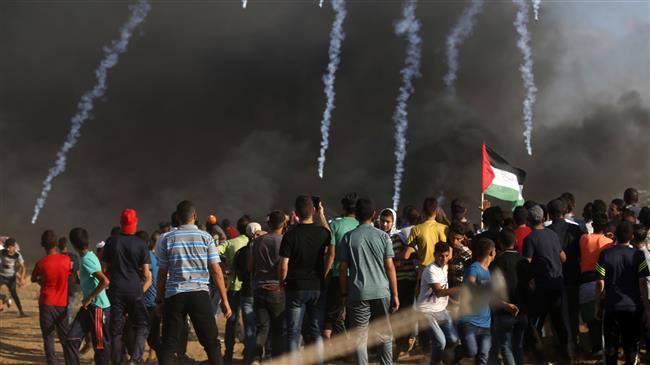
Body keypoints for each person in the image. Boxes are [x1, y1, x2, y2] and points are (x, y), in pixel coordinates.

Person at [155, 200, 232, 365]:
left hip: (175, 295)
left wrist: (159, 299)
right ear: (195, 217)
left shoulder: (167, 239)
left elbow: (162, 273)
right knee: (211, 343)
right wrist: (224, 300)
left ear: (177, 217)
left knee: (169, 344)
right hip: (199, 294)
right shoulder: (206, 237)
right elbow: (217, 271)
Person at [338, 198, 398, 365]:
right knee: (384, 335)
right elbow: (390, 267)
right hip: (381, 291)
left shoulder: (348, 238)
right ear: (374, 214)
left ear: (356, 215)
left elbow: (343, 269)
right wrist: (395, 294)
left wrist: (343, 293)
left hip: (358, 292)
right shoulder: (383, 237)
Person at [278, 195, 332, 365]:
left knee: (293, 332)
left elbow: (283, 265)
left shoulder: (290, 235)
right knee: (316, 331)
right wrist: (322, 215)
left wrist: (281, 282)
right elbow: (331, 238)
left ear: (295, 213)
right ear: (314, 210)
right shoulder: (323, 233)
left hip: (295, 287)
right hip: (317, 286)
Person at [523, 205, 574, 363]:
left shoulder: (530, 239)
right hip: (557, 285)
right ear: (544, 218)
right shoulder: (552, 234)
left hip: (541, 288)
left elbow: (526, 263)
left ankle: (539, 358)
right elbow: (563, 257)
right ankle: (568, 356)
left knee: (534, 324)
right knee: (559, 322)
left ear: (528, 221)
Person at [595, 221, 650, 365]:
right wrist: (647, 308)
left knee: (611, 347)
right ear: (632, 236)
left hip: (611, 307)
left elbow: (600, 282)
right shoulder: (638, 256)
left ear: (616, 236)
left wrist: (598, 306)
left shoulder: (604, 254)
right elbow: (643, 282)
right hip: (633, 308)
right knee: (631, 347)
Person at [102, 208, 152, 364]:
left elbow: (104, 268)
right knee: (142, 324)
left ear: (121, 223)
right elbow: (146, 273)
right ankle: (135, 359)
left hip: (116, 290)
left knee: (115, 330)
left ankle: (116, 361)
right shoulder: (141, 243)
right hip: (134, 289)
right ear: (135, 222)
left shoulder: (111, 241)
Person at [65, 227, 112, 365]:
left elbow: (105, 281)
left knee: (100, 348)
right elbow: (95, 279)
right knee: (71, 340)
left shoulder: (87, 260)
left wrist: (90, 297)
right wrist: (81, 280)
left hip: (98, 308)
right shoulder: (88, 256)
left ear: (73, 245)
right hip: (88, 308)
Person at [250, 211, 287, 363]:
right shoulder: (285, 241)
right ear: (284, 224)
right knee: (279, 329)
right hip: (277, 289)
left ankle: (257, 357)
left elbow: (250, 266)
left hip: (259, 289)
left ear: (268, 223)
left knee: (262, 328)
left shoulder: (258, 241)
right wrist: (282, 285)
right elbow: (284, 267)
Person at [379, 208, 416, 359]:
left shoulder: (400, 237)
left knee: (404, 312)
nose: (385, 224)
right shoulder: (380, 238)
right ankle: (400, 343)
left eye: (388, 221)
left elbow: (412, 251)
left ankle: (404, 345)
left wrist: (398, 258)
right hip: (390, 282)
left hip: (406, 280)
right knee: (394, 314)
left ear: (393, 222)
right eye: (383, 221)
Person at [490, 229, 530, 365]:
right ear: (516, 242)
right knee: (518, 346)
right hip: (522, 310)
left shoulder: (497, 262)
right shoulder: (523, 260)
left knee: (506, 346)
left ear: (500, 244)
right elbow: (531, 283)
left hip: (504, 311)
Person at [547, 198, 582, 351]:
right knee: (573, 311)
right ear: (565, 211)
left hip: (554, 278)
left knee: (557, 313)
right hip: (573, 276)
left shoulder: (547, 232)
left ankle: (561, 344)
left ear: (549, 214)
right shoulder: (576, 230)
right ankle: (575, 340)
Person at [31, 230, 72, 365]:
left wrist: (41, 280)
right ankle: (71, 361)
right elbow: (72, 274)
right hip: (62, 303)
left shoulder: (41, 263)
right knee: (65, 337)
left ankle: (52, 362)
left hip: (46, 302)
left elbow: (33, 278)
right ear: (56, 244)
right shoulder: (66, 260)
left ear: (43, 245)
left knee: (48, 337)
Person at [218, 214, 254, 364]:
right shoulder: (255, 242)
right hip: (249, 287)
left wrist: (226, 266)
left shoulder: (230, 243)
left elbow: (214, 251)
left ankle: (228, 354)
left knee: (231, 321)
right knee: (250, 322)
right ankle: (249, 354)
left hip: (233, 285)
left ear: (237, 229)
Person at [416, 243, 459, 365]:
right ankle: (435, 362)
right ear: (435, 255)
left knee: (453, 339)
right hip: (426, 312)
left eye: (446, 256)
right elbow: (439, 292)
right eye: (441, 256)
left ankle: (442, 356)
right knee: (440, 341)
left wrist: (452, 302)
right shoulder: (430, 270)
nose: (444, 259)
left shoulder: (444, 267)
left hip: (441, 310)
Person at [455, 238, 496, 365]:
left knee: (483, 355)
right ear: (491, 252)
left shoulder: (487, 271)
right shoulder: (474, 268)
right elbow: (470, 283)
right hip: (469, 321)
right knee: (471, 351)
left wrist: (506, 305)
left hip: (485, 322)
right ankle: (452, 356)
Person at [325, 192, 359, 342]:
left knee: (336, 313)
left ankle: (344, 347)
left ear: (343, 208)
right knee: (354, 314)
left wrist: (325, 273)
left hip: (339, 275)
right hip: (358, 276)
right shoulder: (362, 225)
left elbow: (331, 254)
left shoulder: (335, 225)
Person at [578, 213, 612, 355]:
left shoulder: (584, 238)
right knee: (605, 319)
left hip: (585, 282)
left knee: (591, 321)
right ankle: (608, 348)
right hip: (604, 281)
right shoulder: (608, 242)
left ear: (592, 225)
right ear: (606, 227)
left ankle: (596, 348)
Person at [403, 197, 447, 279]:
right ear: (437, 211)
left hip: (424, 273)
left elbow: (406, 255)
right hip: (441, 273)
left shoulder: (416, 229)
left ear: (423, 211)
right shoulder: (445, 229)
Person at [144, 231, 161, 362]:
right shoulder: (156, 257)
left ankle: (156, 356)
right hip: (155, 301)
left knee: (150, 334)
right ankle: (154, 356)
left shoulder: (150, 256)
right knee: (153, 334)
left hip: (149, 302)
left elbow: (148, 280)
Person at [0, 237, 26, 316]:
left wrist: (22, 278)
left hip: (11, 277)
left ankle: (21, 311)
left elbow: (23, 267)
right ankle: (3, 300)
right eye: (7, 247)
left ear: (14, 247)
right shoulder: (1, 252)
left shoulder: (17, 255)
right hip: (1, 275)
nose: (8, 249)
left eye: (10, 247)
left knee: (14, 294)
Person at [58, 237, 80, 324]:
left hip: (60, 287)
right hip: (72, 286)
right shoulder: (73, 257)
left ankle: (64, 326)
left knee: (62, 308)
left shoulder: (56, 258)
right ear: (67, 245)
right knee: (69, 307)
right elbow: (77, 273)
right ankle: (67, 326)